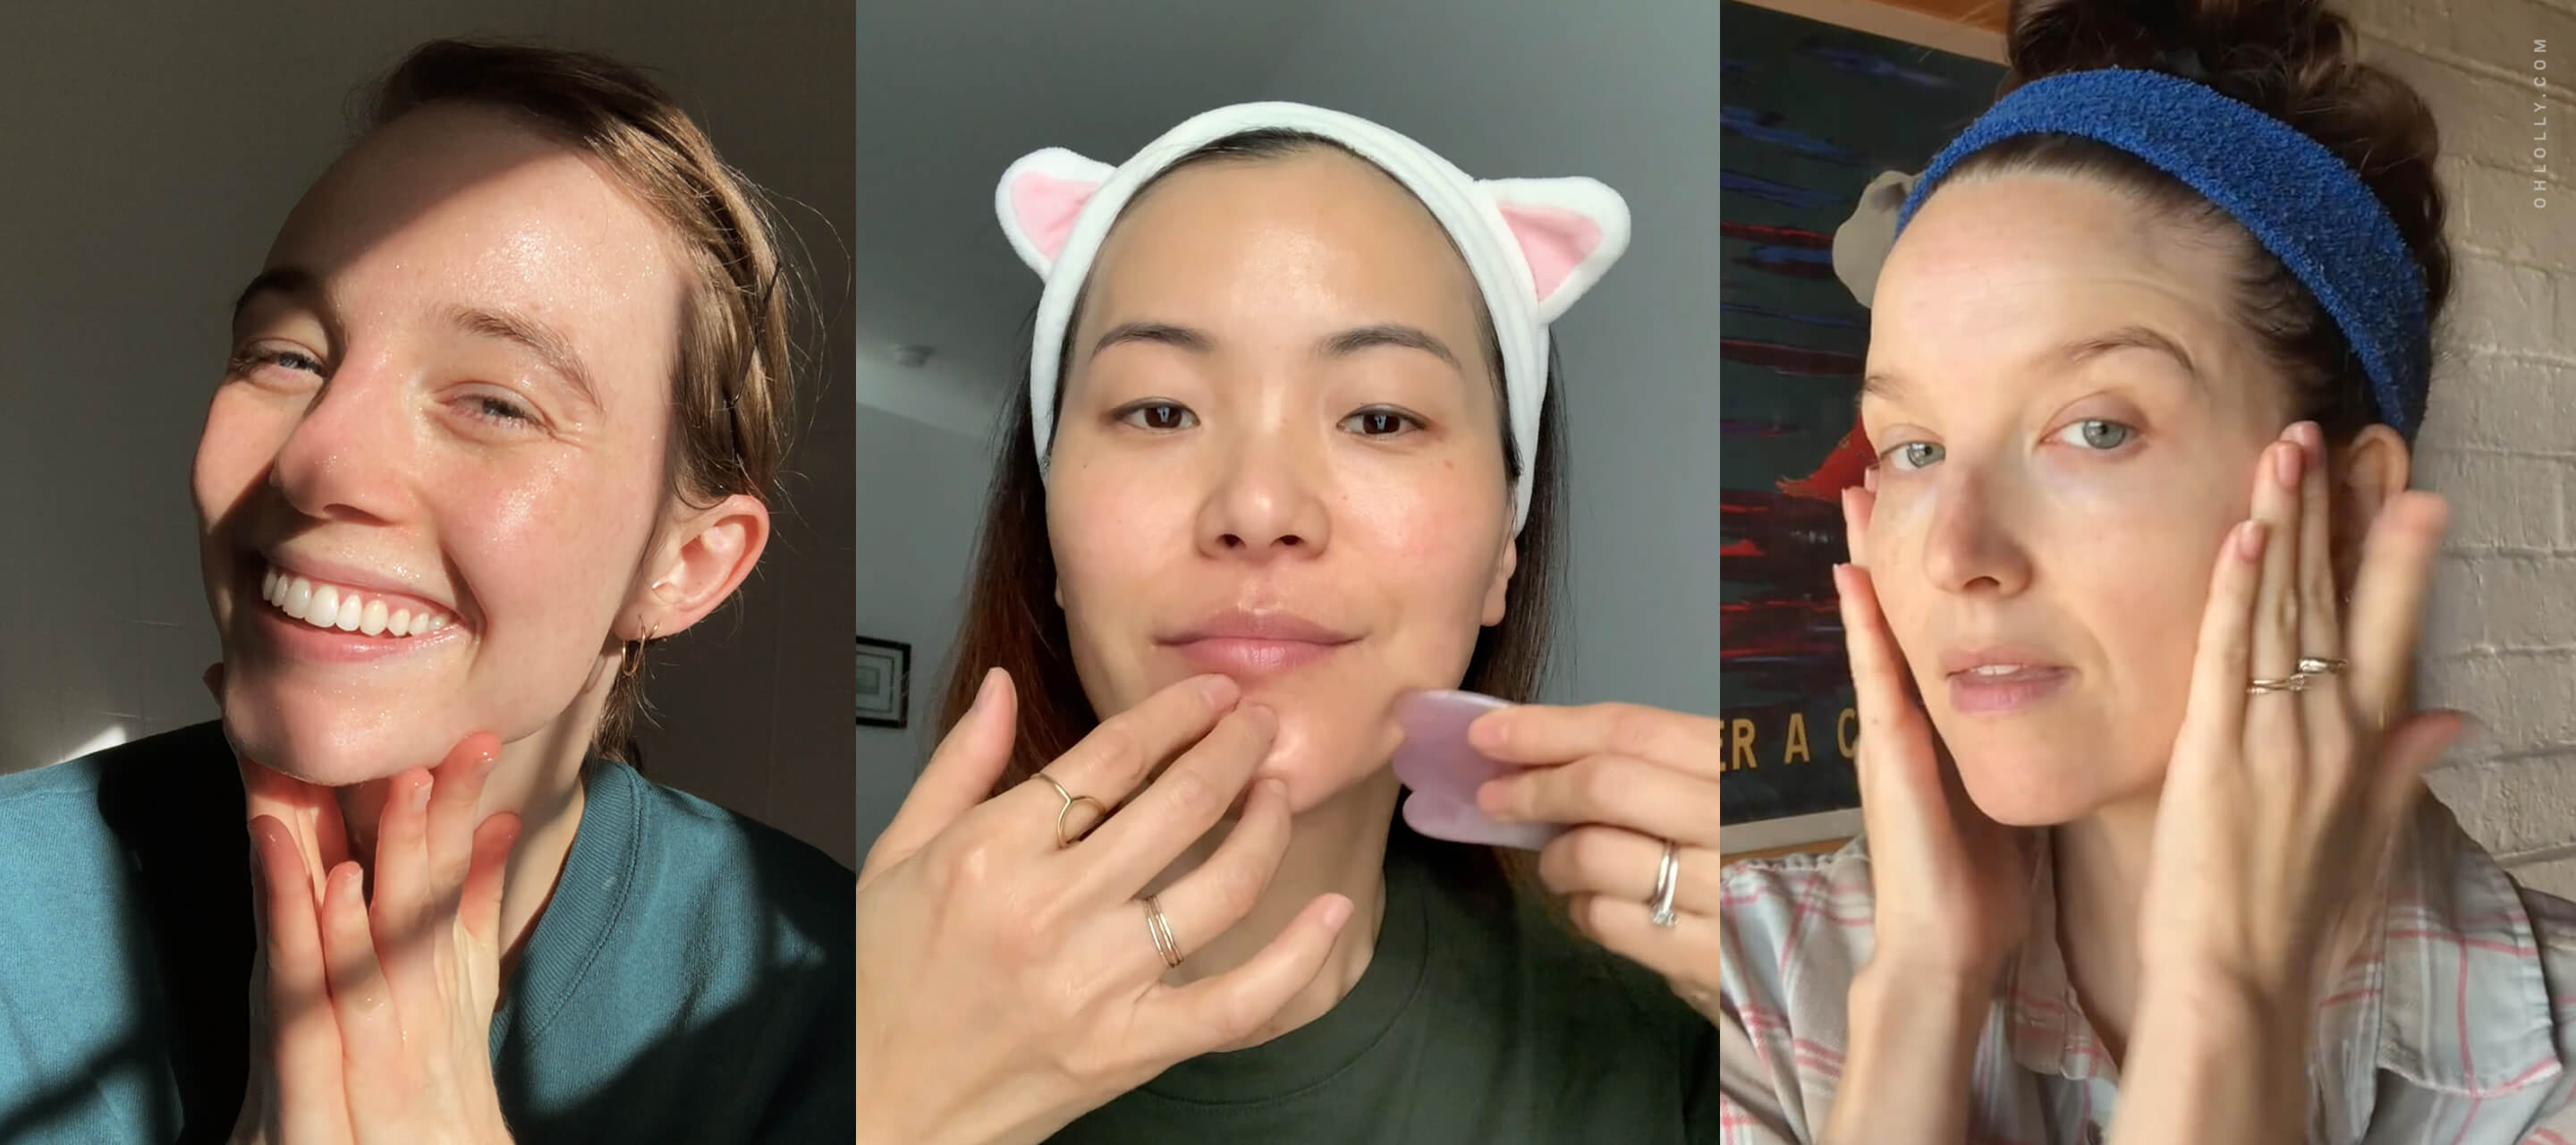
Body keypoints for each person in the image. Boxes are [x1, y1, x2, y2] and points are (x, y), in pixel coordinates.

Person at [1716, 1, 2576, 1141]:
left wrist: (2222, 1006)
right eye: (1913, 449)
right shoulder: (1737, 984)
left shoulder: (2544, 1066)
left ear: (2344, 513)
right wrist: (1919, 987)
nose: (1957, 554)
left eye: (2096, 429)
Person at [0, 40, 852, 1144]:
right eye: (285, 356)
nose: (317, 458)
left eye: (495, 402)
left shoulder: (829, 993)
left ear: (683, 566)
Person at [853, 103, 1733, 1142]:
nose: (1260, 507)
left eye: (1380, 417)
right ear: (1049, 535)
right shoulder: (820, 1026)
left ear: (1506, 547)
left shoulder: (1673, 1036)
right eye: (1161, 410)